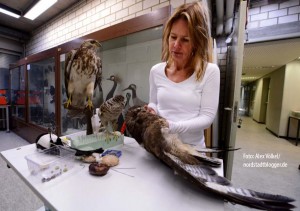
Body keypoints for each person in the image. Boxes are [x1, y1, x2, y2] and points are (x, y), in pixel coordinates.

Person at [144, 1, 220, 148]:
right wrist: (152, 109)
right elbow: (154, 102)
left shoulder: (209, 72)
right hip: (161, 145)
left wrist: (172, 126)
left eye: (185, 40)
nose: (176, 45)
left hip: (191, 150)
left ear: (197, 43)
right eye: (173, 37)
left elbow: (207, 118)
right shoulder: (156, 71)